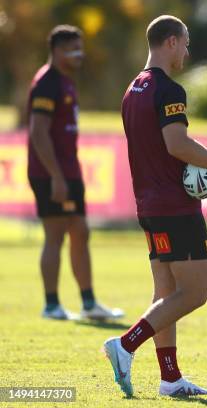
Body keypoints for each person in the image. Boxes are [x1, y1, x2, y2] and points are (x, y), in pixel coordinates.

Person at [103, 15, 207, 397]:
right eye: (187, 43)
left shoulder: (132, 90)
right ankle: (126, 345)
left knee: (166, 295)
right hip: (175, 206)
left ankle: (170, 378)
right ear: (172, 42)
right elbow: (177, 144)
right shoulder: (168, 89)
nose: (188, 51)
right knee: (194, 293)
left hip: (148, 204)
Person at [27, 25, 124, 321]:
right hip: (51, 173)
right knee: (55, 235)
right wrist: (55, 175)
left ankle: (88, 302)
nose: (80, 54)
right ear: (57, 51)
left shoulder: (66, 82)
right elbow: (38, 133)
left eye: (80, 47)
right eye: (73, 48)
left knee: (80, 231)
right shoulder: (47, 83)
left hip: (69, 170)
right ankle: (51, 304)